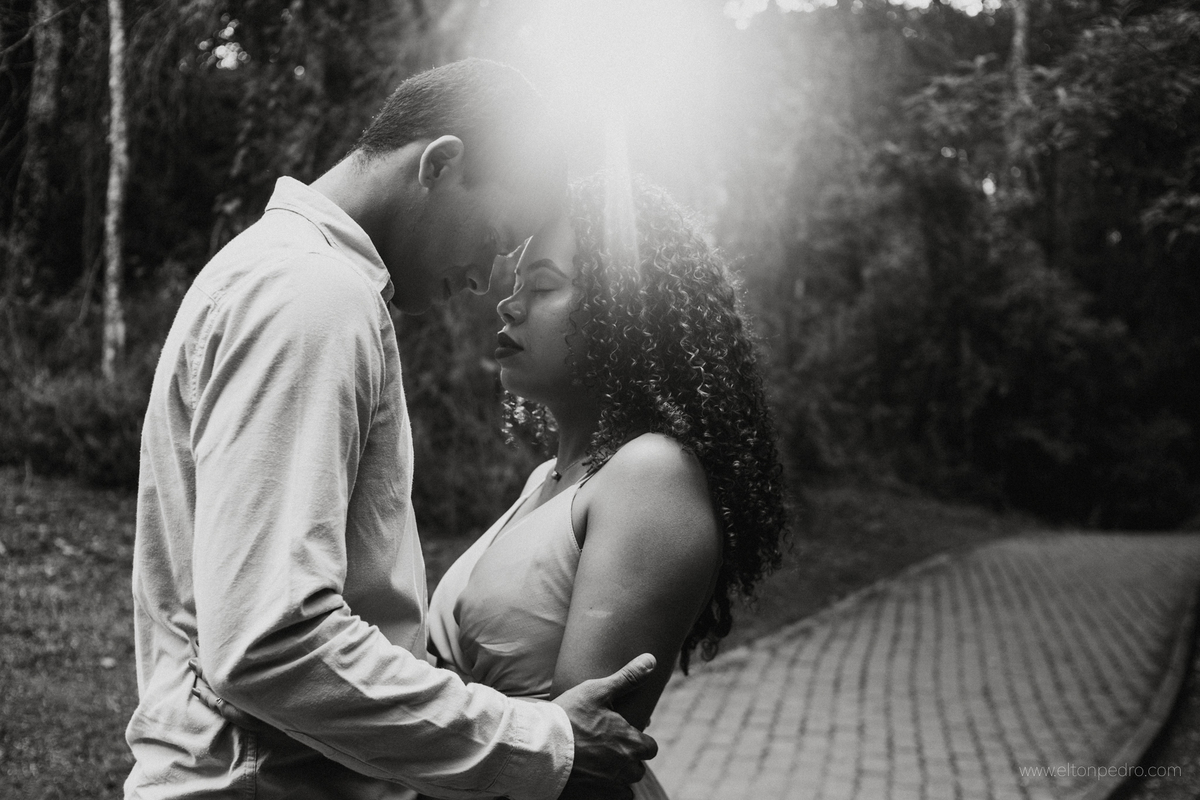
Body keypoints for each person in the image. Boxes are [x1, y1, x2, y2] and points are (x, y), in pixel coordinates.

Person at [125, 59, 657, 800]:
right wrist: (541, 744)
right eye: (495, 237)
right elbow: (269, 641)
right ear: (441, 164)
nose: (483, 280)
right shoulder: (312, 294)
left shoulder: (284, 275)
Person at [427, 174, 789, 799]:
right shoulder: (549, 479)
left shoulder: (651, 473)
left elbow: (580, 753)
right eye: (516, 285)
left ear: (624, 313)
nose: (509, 306)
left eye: (543, 286)